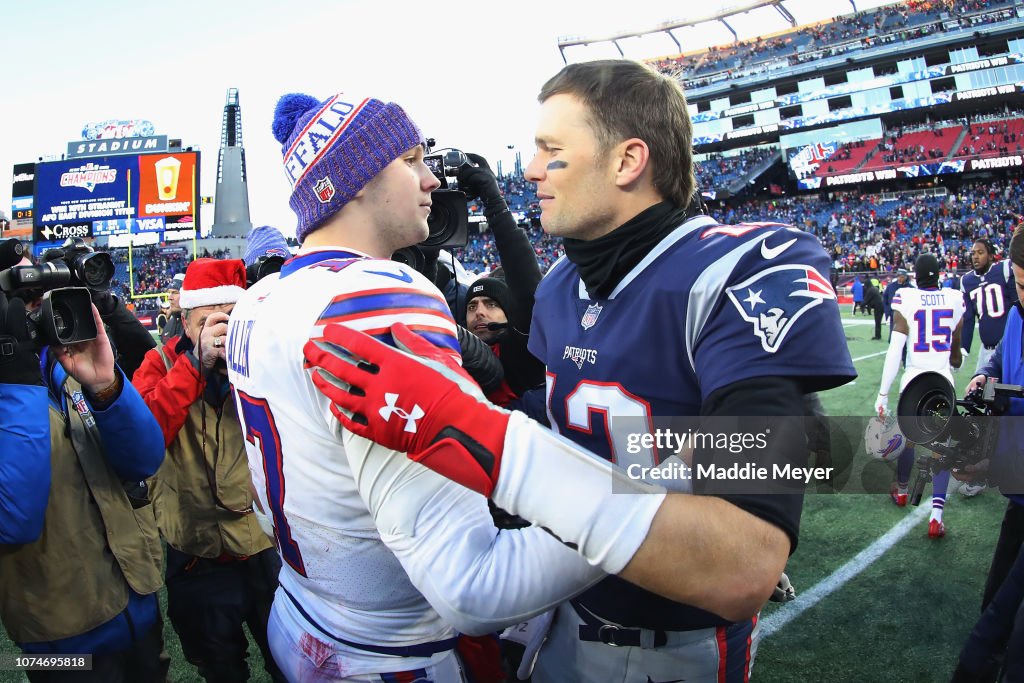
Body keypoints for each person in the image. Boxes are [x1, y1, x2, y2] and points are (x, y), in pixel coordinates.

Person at [305, 59, 855, 683]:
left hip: (678, 651)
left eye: (552, 150)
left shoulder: (742, 269)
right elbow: (569, 427)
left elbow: (744, 568)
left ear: (627, 162)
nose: (532, 169)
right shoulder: (566, 284)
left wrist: (468, 431)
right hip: (560, 623)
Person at [226, 90, 602, 682]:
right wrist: (647, 496)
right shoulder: (374, 294)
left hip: (304, 613)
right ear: (352, 180)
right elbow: (475, 586)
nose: (430, 180)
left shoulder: (258, 299)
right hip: (389, 651)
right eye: (410, 159)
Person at [0, 288, 167, 681]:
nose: (32, 313)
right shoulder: (24, 380)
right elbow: (16, 518)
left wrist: (107, 385)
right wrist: (19, 381)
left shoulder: (63, 366)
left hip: (136, 600)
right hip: (57, 635)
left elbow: (144, 460)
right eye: (18, 302)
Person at [133, 258, 285, 683]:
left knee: (289, 660)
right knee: (218, 667)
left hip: (262, 543)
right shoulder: (159, 364)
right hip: (194, 549)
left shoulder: (263, 359)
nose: (220, 332)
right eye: (207, 322)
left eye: (231, 320)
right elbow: (142, 440)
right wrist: (194, 366)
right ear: (184, 323)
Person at [950, 224, 1024, 681]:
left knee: (998, 637)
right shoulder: (1016, 315)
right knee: (992, 606)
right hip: (1018, 495)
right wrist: (986, 377)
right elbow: (1001, 363)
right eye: (1020, 282)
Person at [875, 252, 965, 538]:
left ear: (916, 275)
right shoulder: (954, 298)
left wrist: (883, 393)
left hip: (915, 383)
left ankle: (902, 491)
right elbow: (957, 358)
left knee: (909, 442)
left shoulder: (906, 297)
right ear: (938, 275)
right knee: (941, 449)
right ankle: (936, 516)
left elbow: (894, 350)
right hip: (941, 384)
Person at [458, 154, 546, 399]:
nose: (480, 312)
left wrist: (494, 202)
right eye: (472, 306)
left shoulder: (523, 348)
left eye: (492, 304)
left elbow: (525, 280)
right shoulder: (458, 353)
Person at [958, 239, 1015, 498]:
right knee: (980, 407)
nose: (975, 257)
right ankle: (983, 470)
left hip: (1009, 353)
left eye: (980, 252)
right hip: (987, 352)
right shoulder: (967, 281)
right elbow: (969, 319)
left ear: (992, 255)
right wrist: (963, 348)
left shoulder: (1003, 271)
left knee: (1004, 408)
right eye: (973, 253)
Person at [883, 269, 911, 339]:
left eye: (902, 277)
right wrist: (887, 311)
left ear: (905, 277)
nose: (900, 278)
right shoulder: (891, 286)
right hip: (894, 314)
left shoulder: (910, 288)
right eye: (899, 276)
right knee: (892, 337)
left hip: (906, 315)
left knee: (904, 337)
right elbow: (885, 298)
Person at [160, 272, 185, 344]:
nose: (169, 297)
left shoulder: (194, 325)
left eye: (175, 292)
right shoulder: (169, 325)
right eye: (169, 293)